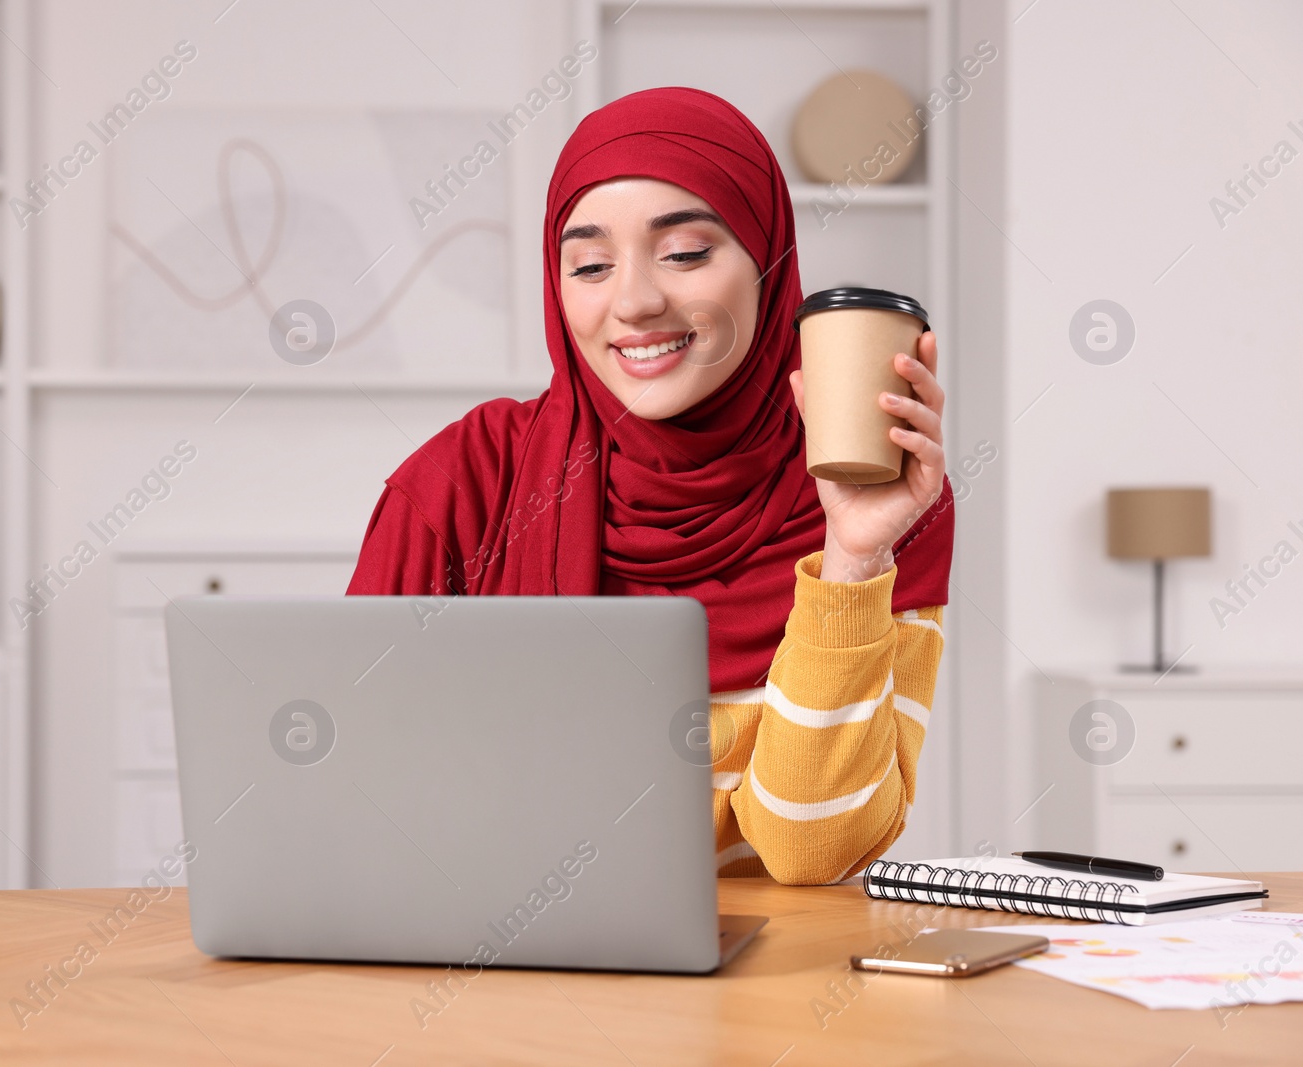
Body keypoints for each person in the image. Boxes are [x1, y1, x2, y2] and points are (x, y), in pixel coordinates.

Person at [347, 87, 953, 886]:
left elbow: (811, 853)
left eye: (686, 253)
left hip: (766, 990)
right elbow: (356, 808)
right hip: (490, 974)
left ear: (770, 264)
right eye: (591, 265)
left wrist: (851, 559)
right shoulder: (466, 482)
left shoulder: (879, 492)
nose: (632, 301)